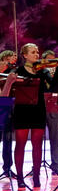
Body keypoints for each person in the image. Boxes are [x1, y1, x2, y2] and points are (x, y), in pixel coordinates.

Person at [12, 43, 58, 188]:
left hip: (38, 110)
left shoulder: (43, 71)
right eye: (33, 52)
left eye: (37, 52)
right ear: (25, 55)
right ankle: (20, 178)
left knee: (37, 145)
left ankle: (36, 176)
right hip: (22, 110)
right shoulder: (18, 70)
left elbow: (54, 85)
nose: (36, 55)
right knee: (20, 145)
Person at [41, 50, 58, 176]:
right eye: (49, 60)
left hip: (54, 108)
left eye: (53, 60)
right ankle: (36, 165)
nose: (52, 63)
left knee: (54, 138)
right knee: (37, 138)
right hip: (40, 107)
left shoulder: (57, 73)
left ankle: (55, 164)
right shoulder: (41, 71)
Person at [0, 50, 18, 178]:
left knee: (8, 141)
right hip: (2, 109)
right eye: (7, 59)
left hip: (8, 110)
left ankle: (7, 167)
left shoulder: (12, 72)